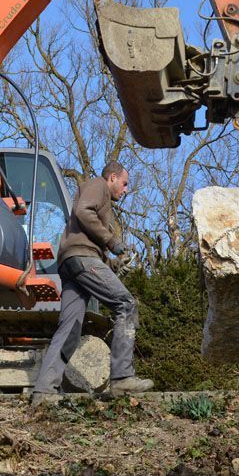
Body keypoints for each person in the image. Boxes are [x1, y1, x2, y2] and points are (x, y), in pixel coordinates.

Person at [31, 159, 153, 405]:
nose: (126, 190)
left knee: (70, 328)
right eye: (125, 184)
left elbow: (86, 242)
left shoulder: (97, 195)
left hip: (72, 262)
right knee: (126, 304)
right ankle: (122, 377)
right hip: (81, 259)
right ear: (112, 178)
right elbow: (83, 211)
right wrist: (112, 241)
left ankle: (44, 390)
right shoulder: (98, 185)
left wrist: (111, 263)